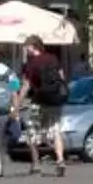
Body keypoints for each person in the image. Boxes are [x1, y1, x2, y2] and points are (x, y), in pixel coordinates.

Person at [18, 37, 69, 176]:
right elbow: (62, 77)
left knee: (31, 131)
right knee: (55, 131)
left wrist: (17, 104)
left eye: (26, 47)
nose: (26, 50)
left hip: (39, 102)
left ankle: (36, 164)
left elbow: (26, 86)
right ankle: (60, 160)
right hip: (55, 100)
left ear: (32, 46)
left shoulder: (31, 64)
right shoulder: (53, 58)